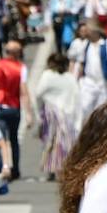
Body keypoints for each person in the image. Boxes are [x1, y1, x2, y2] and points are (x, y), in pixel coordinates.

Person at [0, 40, 33, 180]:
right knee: (13, 139)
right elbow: (24, 92)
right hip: (14, 108)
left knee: (0, 139)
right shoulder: (21, 68)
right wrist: (28, 113)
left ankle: (2, 166)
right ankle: (15, 169)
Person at [33, 51, 81, 180]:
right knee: (64, 142)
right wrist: (77, 119)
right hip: (66, 113)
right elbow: (77, 97)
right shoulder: (70, 78)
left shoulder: (47, 75)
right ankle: (63, 167)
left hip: (51, 112)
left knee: (50, 141)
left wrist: (39, 112)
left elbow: (38, 93)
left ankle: (51, 168)